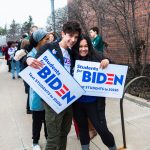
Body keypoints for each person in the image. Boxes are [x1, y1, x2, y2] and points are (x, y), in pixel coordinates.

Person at [26, 21, 82, 150]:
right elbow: (30, 62)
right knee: (52, 139)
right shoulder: (49, 48)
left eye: (76, 37)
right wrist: (28, 59)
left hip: (68, 99)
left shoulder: (73, 53)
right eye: (70, 35)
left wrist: (106, 60)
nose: (73, 40)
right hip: (52, 101)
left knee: (64, 134)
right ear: (62, 34)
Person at [72, 35, 117, 150]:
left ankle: (113, 148)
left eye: (86, 46)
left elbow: (111, 65)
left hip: (94, 104)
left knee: (102, 130)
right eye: (80, 46)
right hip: (77, 104)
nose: (83, 49)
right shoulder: (72, 58)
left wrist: (107, 61)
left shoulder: (96, 56)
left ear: (89, 46)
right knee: (83, 130)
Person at [27, 29, 50, 150]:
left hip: (49, 94)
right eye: (46, 39)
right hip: (37, 94)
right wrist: (27, 59)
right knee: (37, 120)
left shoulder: (48, 51)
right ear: (39, 41)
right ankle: (35, 142)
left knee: (48, 120)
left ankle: (48, 139)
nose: (48, 41)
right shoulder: (31, 54)